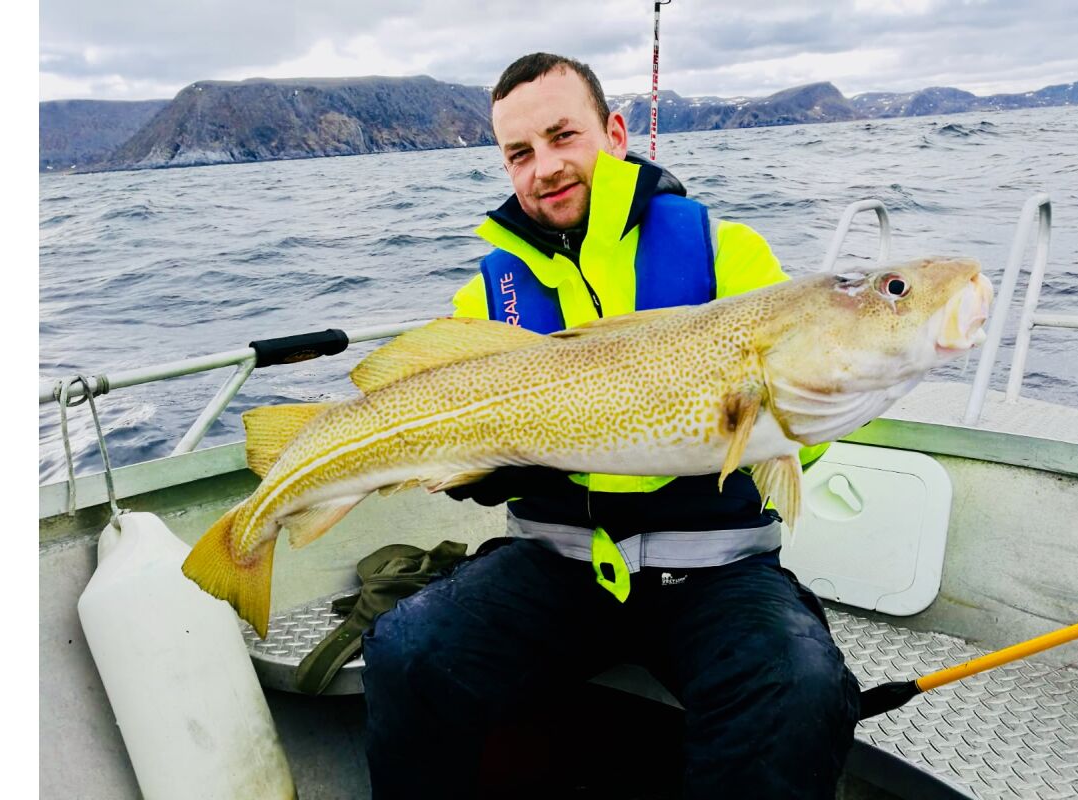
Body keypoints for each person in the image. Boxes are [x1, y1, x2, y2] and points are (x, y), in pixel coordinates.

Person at [361, 52, 860, 799]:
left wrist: (790, 429)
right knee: (409, 652)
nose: (545, 167)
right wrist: (471, 471)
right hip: (552, 563)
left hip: (716, 571)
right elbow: (445, 422)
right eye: (520, 153)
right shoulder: (486, 298)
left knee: (798, 686)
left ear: (616, 133)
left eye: (564, 136)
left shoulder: (728, 252)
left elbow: (810, 411)